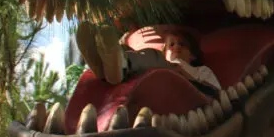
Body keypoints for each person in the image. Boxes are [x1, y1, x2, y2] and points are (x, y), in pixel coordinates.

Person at [77, 23, 221, 92]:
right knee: (136, 54)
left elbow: (216, 93)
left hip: (186, 91)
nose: (176, 47)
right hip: (151, 82)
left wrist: (184, 75)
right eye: (171, 44)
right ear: (165, 52)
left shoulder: (201, 71)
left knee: (152, 56)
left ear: (193, 55)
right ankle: (104, 68)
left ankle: (117, 67)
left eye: (182, 45)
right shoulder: (159, 63)